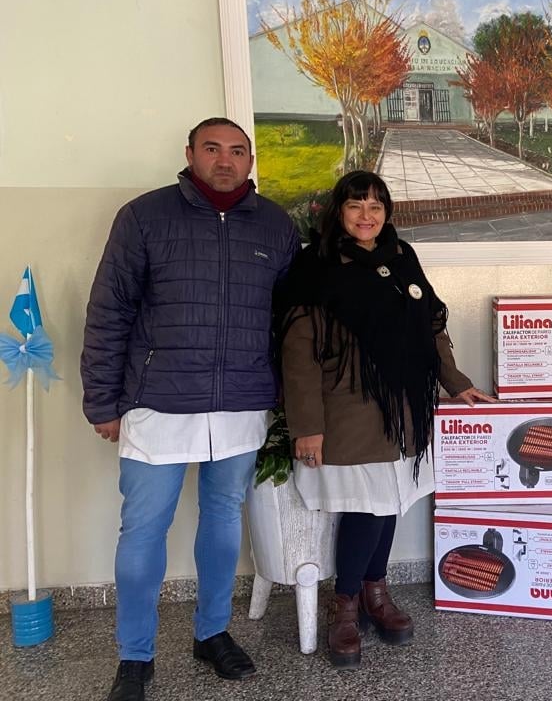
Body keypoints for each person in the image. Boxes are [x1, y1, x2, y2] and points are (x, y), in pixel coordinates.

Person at [81, 117, 300, 701]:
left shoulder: (275, 225)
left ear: (250, 160)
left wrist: (285, 394)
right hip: (159, 403)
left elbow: (290, 322)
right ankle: (135, 656)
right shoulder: (144, 217)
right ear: (190, 153)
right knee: (142, 532)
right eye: (212, 148)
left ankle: (212, 633)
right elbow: (109, 311)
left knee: (224, 521)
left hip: (241, 405)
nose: (225, 160)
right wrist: (102, 400)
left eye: (237, 151)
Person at [274, 170, 493, 670]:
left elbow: (431, 325)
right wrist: (307, 426)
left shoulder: (402, 257)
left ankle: (376, 592)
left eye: (376, 205)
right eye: (355, 205)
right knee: (366, 509)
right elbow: (298, 354)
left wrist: (455, 382)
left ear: (387, 212)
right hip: (347, 410)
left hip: (404, 409)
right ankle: (346, 604)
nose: (366, 215)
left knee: (391, 500)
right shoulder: (316, 266)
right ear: (339, 212)